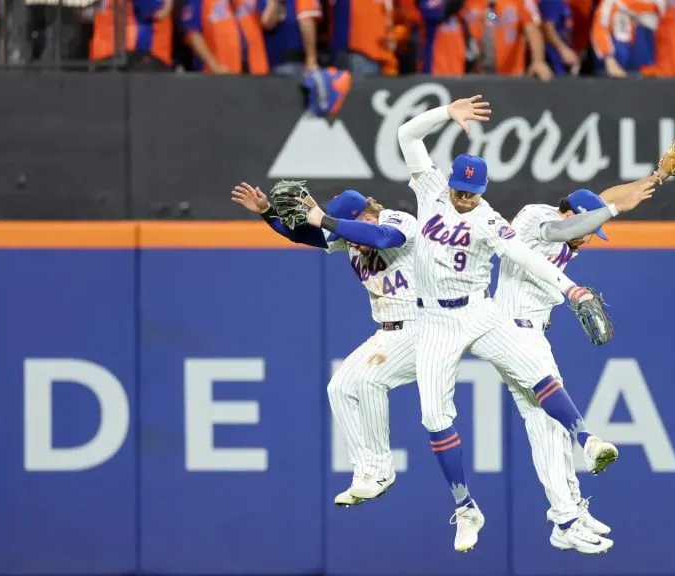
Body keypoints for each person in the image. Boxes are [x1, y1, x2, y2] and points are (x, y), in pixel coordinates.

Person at [397, 94, 621, 553]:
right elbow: (406, 134)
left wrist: (570, 289)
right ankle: (465, 507)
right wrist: (445, 114)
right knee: (434, 418)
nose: (463, 198)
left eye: (471, 192)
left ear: (481, 192)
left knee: (539, 373)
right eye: (460, 189)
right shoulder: (431, 189)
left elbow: (522, 256)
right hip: (434, 320)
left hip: (479, 312)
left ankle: (587, 438)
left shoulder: (488, 219)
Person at [493, 176, 661, 553]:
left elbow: (600, 201)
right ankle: (566, 517)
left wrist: (657, 177)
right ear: (572, 214)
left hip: (532, 332)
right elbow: (565, 225)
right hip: (511, 331)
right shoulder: (539, 219)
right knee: (549, 423)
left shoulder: (573, 222)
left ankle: (568, 512)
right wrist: (614, 209)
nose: (588, 240)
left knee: (547, 428)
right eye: (588, 229)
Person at [230, 181, 418, 506]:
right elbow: (304, 235)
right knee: (339, 388)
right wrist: (266, 212)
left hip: (424, 327)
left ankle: (382, 469)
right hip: (389, 332)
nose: (351, 244)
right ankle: (365, 473)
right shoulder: (352, 235)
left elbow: (382, 238)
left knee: (370, 381)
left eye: (351, 231)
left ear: (367, 216)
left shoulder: (397, 220)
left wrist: (325, 219)